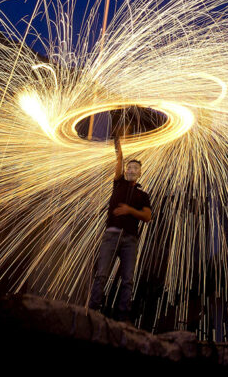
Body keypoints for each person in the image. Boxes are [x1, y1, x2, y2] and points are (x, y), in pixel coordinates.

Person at [88, 136, 152, 322]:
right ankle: (92, 312)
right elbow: (119, 160)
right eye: (129, 167)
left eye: (135, 168)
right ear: (125, 171)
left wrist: (130, 210)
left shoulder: (143, 195)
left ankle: (123, 318)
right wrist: (118, 145)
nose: (131, 169)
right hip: (112, 235)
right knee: (101, 275)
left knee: (128, 280)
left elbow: (147, 217)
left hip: (130, 240)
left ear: (140, 173)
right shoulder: (118, 182)